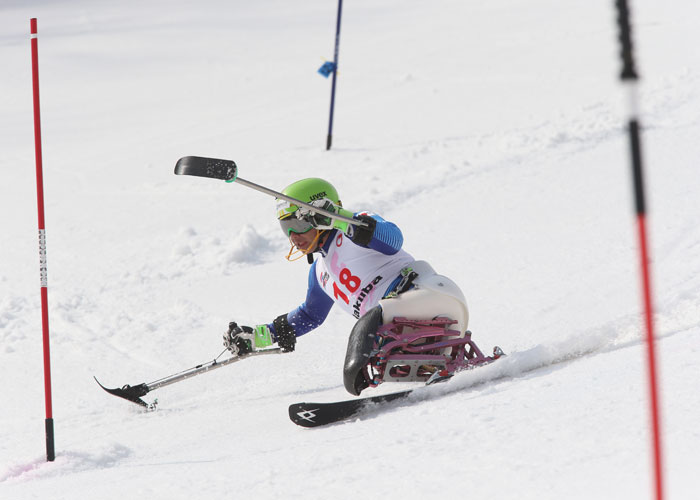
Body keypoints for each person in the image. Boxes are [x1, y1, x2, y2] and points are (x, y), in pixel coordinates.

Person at [224, 178, 471, 395]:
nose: (294, 237)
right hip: (398, 329)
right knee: (372, 340)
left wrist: (344, 221)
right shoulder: (319, 272)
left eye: (298, 226)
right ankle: (431, 364)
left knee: (363, 338)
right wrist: (259, 337)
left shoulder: (355, 231)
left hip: (430, 295)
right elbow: (310, 315)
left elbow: (393, 240)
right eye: (286, 229)